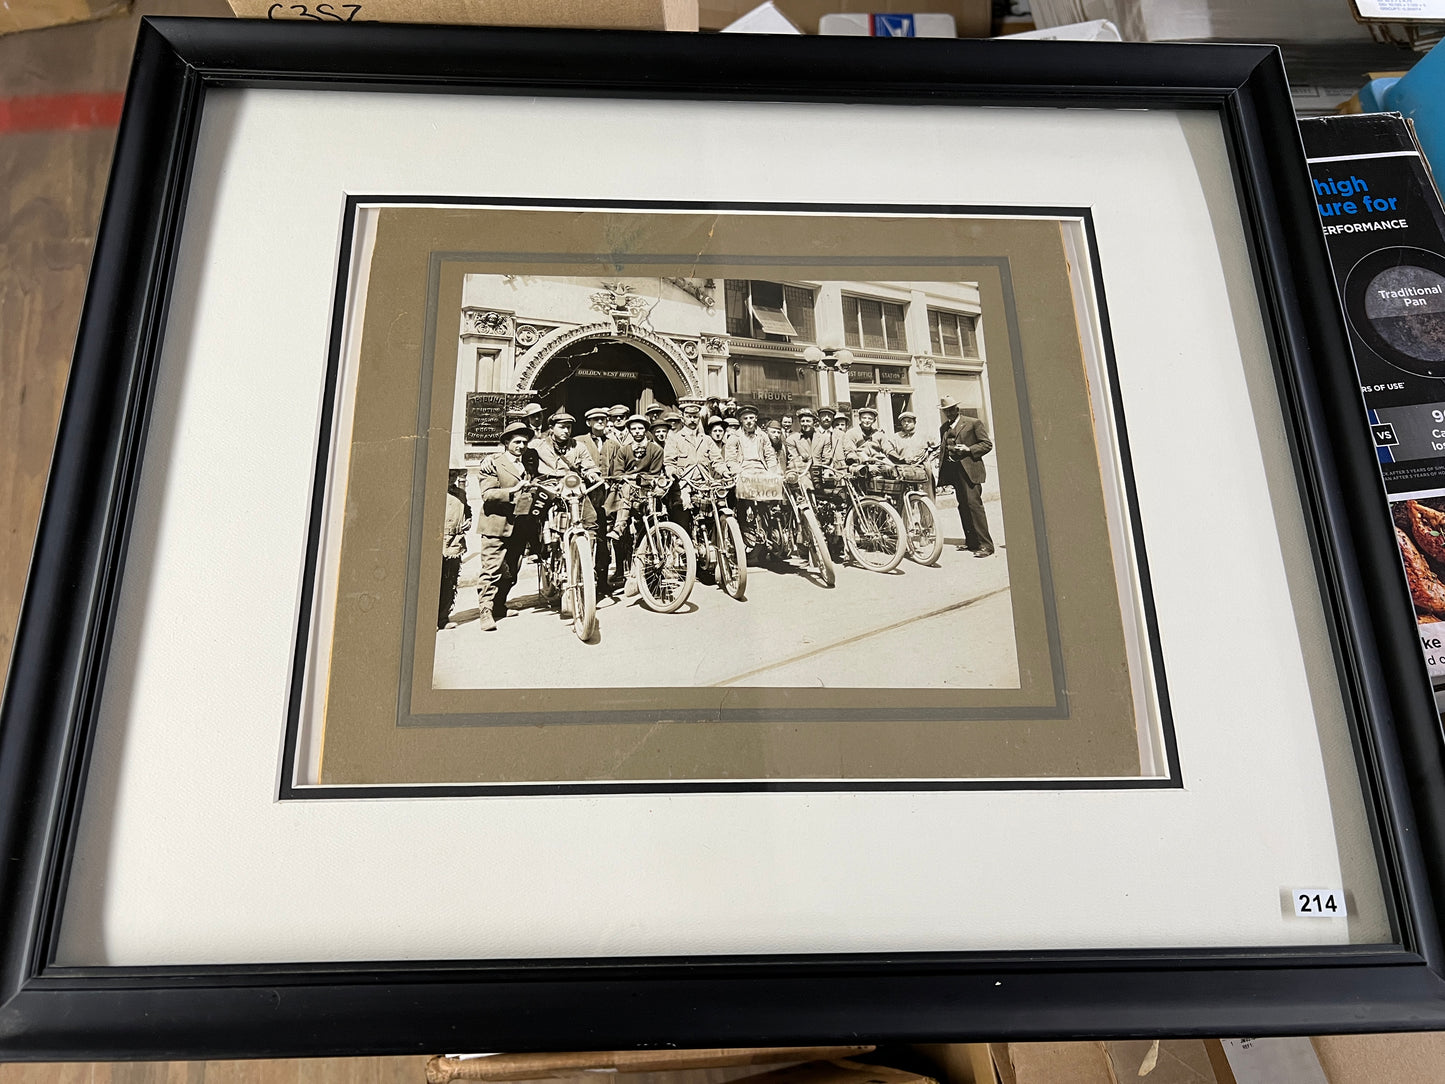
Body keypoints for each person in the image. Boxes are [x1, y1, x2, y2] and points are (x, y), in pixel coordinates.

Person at [474, 422, 539, 631]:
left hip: (519, 526)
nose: (521, 445)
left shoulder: (527, 463)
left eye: (524, 442)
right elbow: (488, 494)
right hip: (496, 524)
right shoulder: (493, 463)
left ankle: (500, 605)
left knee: (511, 570)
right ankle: (485, 611)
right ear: (506, 443)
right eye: (517, 442)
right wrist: (514, 489)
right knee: (491, 569)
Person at [606, 414, 668, 594]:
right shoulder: (624, 450)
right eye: (633, 429)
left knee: (647, 533)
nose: (637, 432)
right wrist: (627, 478)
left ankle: (649, 573)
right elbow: (618, 473)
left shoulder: (655, 450)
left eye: (640, 428)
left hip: (647, 491)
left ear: (645, 430)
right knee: (625, 486)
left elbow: (655, 473)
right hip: (627, 493)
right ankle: (619, 527)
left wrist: (637, 478)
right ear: (629, 431)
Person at [938, 395, 995, 557]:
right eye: (945, 411)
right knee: (963, 505)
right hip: (955, 473)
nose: (949, 413)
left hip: (970, 471)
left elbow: (987, 444)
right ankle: (971, 542)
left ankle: (986, 546)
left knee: (974, 506)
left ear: (957, 409)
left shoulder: (973, 423)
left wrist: (969, 449)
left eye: (951, 409)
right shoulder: (943, 428)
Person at [726, 404, 780, 555]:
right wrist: (738, 473)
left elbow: (770, 455)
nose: (749, 421)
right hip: (744, 472)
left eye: (751, 418)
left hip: (761, 471)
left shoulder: (762, 436)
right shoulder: (734, 438)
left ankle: (771, 534)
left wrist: (772, 471)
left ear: (756, 419)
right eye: (745, 419)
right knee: (743, 505)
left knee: (768, 505)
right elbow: (730, 460)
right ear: (741, 421)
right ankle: (745, 535)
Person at [664, 400, 725, 531]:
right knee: (682, 519)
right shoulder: (675, 438)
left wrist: (725, 472)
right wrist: (672, 472)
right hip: (683, 484)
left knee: (716, 515)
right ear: (683, 418)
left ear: (699, 418)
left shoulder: (706, 439)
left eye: (695, 417)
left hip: (704, 484)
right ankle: (681, 547)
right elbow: (669, 462)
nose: (692, 420)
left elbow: (718, 461)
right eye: (689, 416)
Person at [577, 407, 619, 593]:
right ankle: (580, 579)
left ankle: (602, 580)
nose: (600, 422)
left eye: (603, 419)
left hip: (606, 495)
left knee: (603, 535)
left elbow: (618, 467)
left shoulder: (613, 444)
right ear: (588, 423)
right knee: (585, 534)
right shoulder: (578, 442)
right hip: (585, 494)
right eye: (596, 420)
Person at [439, 468, 471, 630]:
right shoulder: (434, 492)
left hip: (455, 542)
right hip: (437, 542)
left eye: (454, 475)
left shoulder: (460, 493)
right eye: (448, 474)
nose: (451, 478)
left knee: (449, 580)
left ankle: (443, 617)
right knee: (433, 581)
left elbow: (467, 510)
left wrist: (468, 520)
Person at [887, 410, 938, 499]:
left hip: (923, 469)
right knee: (903, 498)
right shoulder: (895, 437)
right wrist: (899, 459)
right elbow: (889, 451)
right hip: (904, 470)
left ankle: (928, 512)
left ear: (914, 422)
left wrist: (930, 458)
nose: (906, 424)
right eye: (904, 421)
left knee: (926, 496)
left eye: (909, 421)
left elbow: (938, 447)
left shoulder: (924, 435)